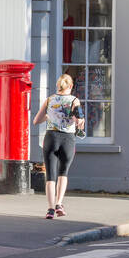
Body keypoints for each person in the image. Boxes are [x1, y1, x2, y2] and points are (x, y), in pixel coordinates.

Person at [32, 74, 85, 219]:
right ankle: (59, 204)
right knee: (63, 172)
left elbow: (36, 120)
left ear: (58, 86)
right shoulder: (74, 100)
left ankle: (49, 209)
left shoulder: (49, 100)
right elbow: (78, 118)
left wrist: (49, 116)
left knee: (50, 175)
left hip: (51, 138)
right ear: (71, 86)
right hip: (67, 139)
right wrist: (81, 121)